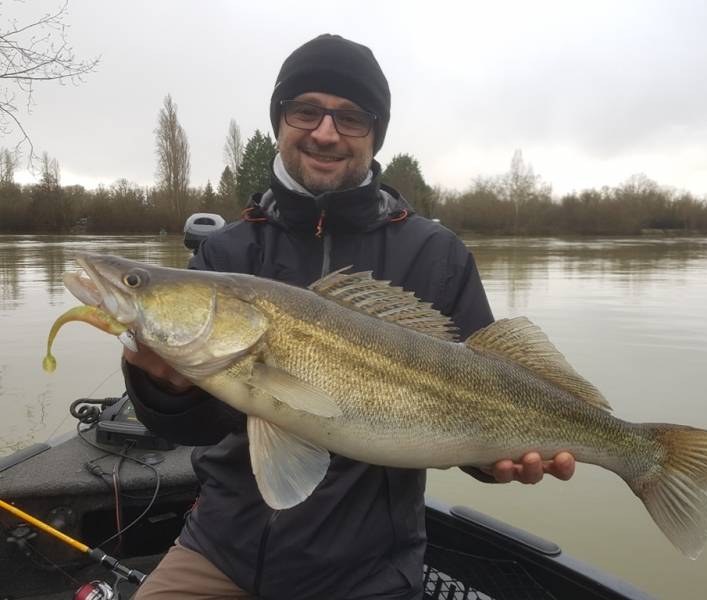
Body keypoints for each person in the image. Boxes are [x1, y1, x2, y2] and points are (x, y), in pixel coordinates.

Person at [123, 34, 575, 600]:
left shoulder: (436, 254)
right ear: (280, 122)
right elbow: (192, 429)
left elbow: (474, 404)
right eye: (305, 110)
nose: (325, 131)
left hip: (370, 572)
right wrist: (164, 388)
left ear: (375, 134)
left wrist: (494, 462)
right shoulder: (227, 255)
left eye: (351, 117)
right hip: (223, 550)